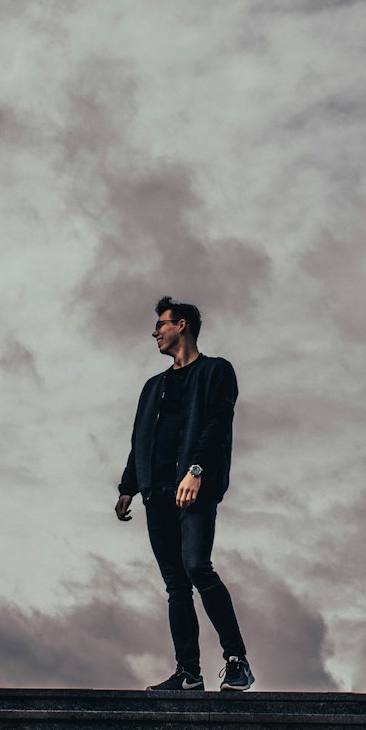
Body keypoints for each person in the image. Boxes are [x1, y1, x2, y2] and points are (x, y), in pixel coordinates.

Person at [115, 296, 255, 693]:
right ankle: (188, 673)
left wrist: (196, 471)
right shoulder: (153, 387)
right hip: (154, 493)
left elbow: (216, 423)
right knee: (175, 584)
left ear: (183, 326)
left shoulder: (216, 372)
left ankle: (236, 659)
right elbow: (139, 439)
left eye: (161, 325)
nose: (156, 333)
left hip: (194, 489)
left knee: (197, 566)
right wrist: (128, 486)